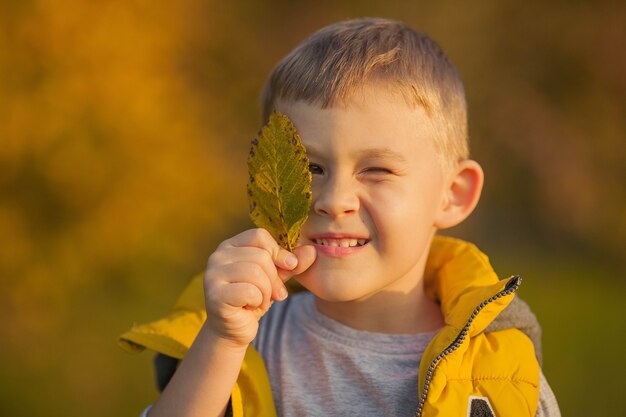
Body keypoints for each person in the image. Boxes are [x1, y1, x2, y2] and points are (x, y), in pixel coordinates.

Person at [119, 18, 560, 417]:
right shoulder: (244, 340)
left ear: (453, 195)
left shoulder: (501, 373)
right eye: (310, 169)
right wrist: (221, 339)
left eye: (377, 170)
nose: (335, 200)